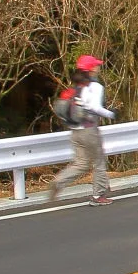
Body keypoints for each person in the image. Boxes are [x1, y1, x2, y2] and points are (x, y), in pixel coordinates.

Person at [49, 54, 116, 205]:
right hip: (89, 130)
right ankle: (98, 196)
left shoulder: (75, 87)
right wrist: (111, 113)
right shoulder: (95, 87)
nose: (98, 67)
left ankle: (58, 182)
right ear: (91, 69)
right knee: (98, 162)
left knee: (81, 164)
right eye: (96, 65)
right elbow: (94, 108)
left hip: (75, 131)